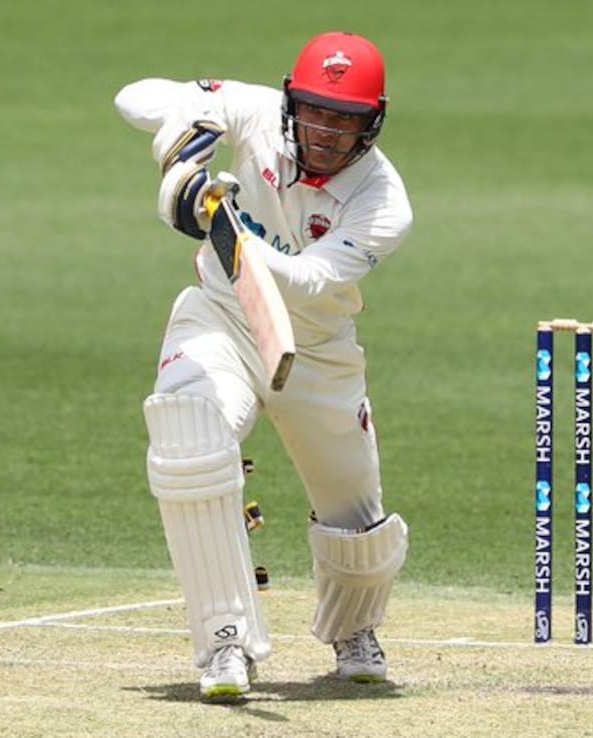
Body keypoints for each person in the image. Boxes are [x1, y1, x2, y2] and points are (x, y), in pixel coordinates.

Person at [114, 31, 413, 702]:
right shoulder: (252, 113)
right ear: (290, 101)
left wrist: (218, 220)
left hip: (316, 350)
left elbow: (305, 281)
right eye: (315, 111)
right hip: (222, 321)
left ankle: (355, 632)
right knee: (189, 437)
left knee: (354, 517)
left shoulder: (384, 202)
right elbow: (135, 97)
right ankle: (225, 641)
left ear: (373, 123)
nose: (328, 131)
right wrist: (181, 140)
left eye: (347, 119)